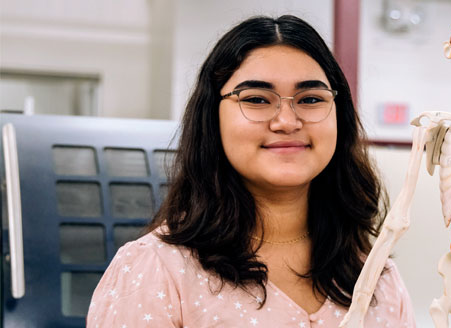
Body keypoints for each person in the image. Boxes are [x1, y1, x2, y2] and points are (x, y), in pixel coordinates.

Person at [87, 15, 415, 327]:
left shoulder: (376, 274)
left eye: (311, 99)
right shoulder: (156, 269)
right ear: (212, 119)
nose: (287, 121)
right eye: (257, 99)